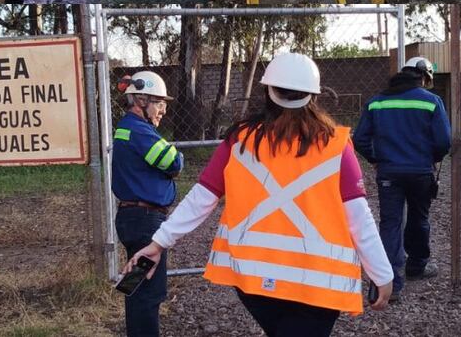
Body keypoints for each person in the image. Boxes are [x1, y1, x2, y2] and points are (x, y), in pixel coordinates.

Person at [124, 52, 394, 337]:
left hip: (254, 280)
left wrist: (158, 243)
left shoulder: (239, 141)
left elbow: (200, 199)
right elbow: (359, 218)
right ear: (313, 95)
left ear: (268, 91)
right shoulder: (335, 146)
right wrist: (382, 273)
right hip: (317, 284)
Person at [353, 55, 451, 298]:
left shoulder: (376, 102)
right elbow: (443, 141)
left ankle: (390, 283)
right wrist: (432, 157)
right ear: (423, 75)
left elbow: (360, 140)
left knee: (390, 224)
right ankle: (417, 266)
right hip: (420, 172)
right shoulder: (431, 102)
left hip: (389, 173)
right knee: (419, 218)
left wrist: (376, 159)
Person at [111, 70, 184, 337]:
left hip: (134, 219)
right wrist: (174, 156)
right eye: (159, 103)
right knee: (149, 293)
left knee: (136, 286)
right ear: (141, 100)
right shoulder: (139, 131)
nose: (163, 110)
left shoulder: (126, 129)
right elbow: (173, 163)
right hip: (145, 223)